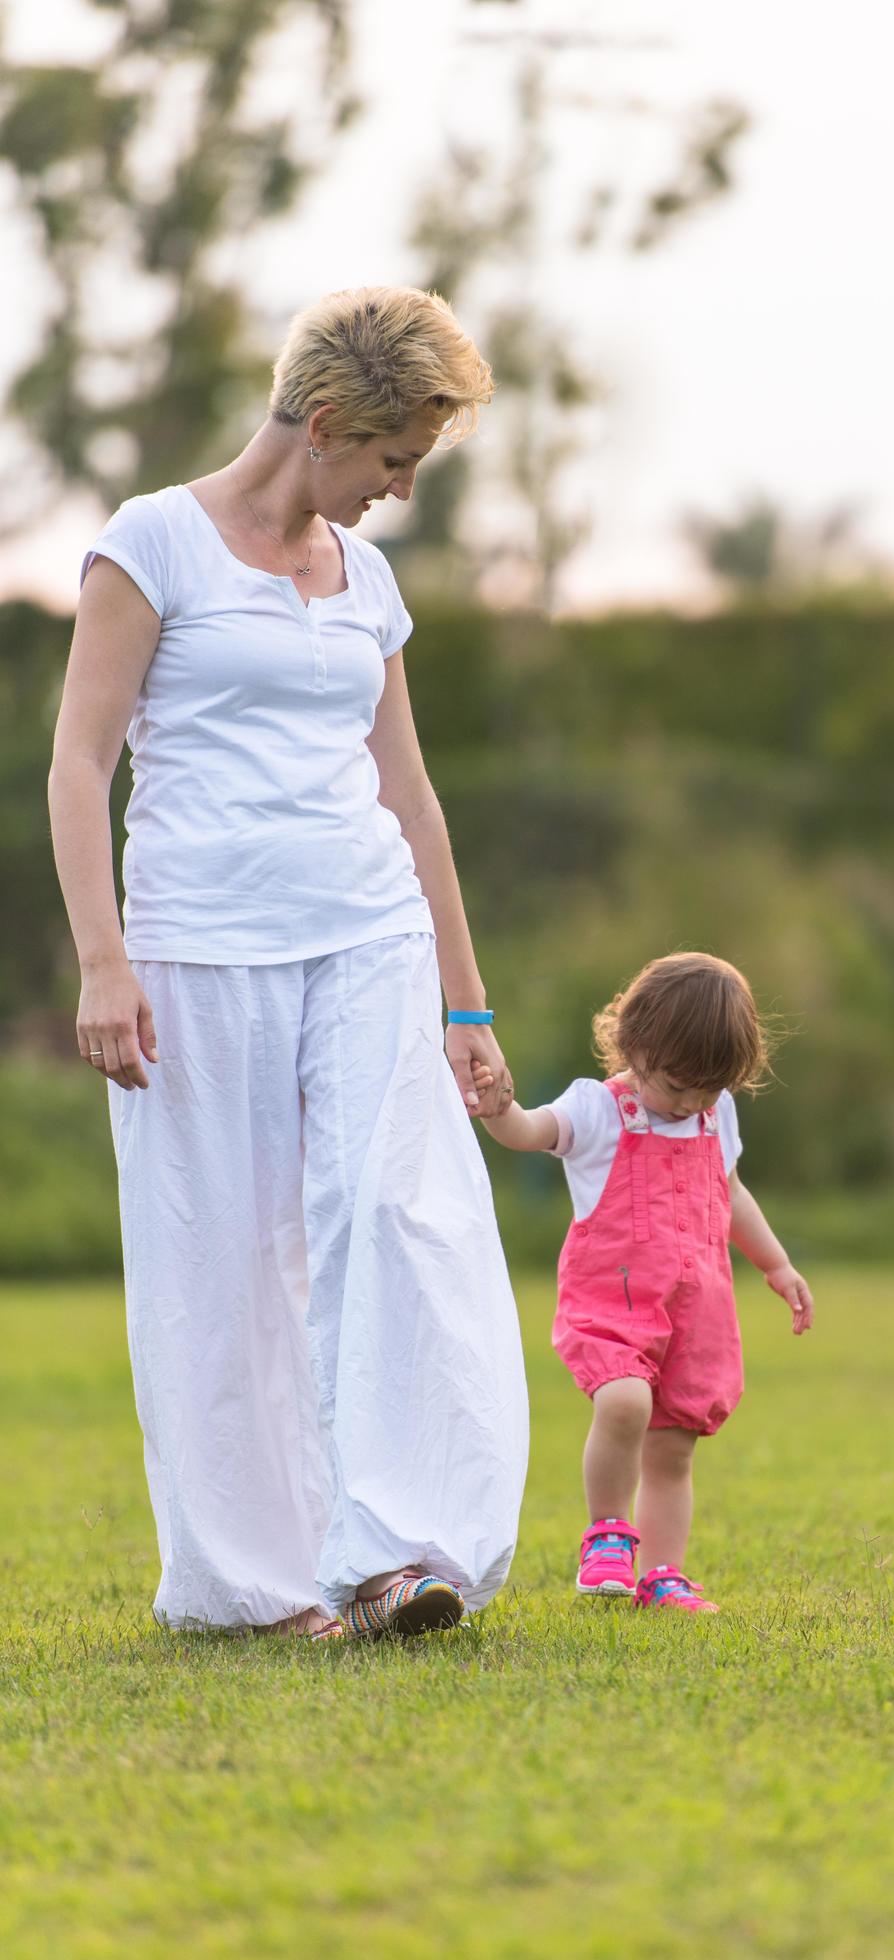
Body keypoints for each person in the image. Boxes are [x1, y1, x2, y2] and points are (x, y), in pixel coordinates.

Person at [47, 286, 529, 1641]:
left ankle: (393, 1549)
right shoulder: (150, 549)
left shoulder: (364, 579)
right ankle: (253, 1587)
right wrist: (103, 961)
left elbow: (412, 796)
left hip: (369, 934)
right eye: (393, 461)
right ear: (324, 426)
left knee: (394, 1216)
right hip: (202, 949)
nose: (398, 491)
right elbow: (80, 766)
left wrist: (467, 995)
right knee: (228, 1256)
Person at [474, 951, 814, 1613]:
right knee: (625, 1403)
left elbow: (732, 1191)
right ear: (636, 1046)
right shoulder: (599, 1110)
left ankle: (663, 1576)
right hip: (614, 1303)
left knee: (673, 1447)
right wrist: (498, 1109)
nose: (688, 1104)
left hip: (696, 1309)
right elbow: (530, 1131)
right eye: (676, 1086)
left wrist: (775, 1264)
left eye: (706, 1091)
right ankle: (606, 1533)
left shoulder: (716, 1117)